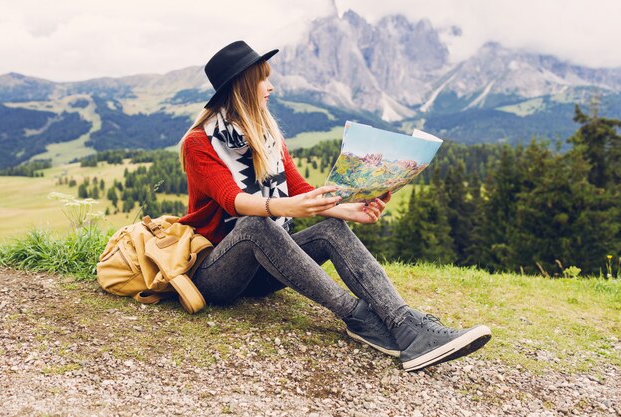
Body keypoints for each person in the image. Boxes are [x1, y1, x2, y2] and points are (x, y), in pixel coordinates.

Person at [178, 40, 491, 371]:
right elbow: (235, 201)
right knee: (255, 225)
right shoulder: (198, 143)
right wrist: (287, 208)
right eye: (262, 79)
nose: (270, 87)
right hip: (216, 272)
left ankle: (405, 325)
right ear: (241, 87)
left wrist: (346, 210)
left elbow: (299, 189)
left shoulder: (267, 135)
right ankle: (359, 318)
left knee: (330, 229)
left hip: (266, 269)